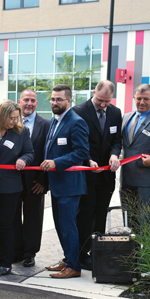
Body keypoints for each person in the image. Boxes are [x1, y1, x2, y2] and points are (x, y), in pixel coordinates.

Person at [73, 80, 122, 270]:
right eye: (100, 100)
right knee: (85, 214)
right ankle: (81, 254)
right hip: (87, 173)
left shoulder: (115, 113)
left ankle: (97, 251)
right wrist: (87, 160)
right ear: (94, 92)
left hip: (106, 176)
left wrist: (114, 154)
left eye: (107, 101)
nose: (103, 105)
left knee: (101, 214)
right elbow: (78, 140)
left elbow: (116, 139)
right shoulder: (79, 111)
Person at [42, 84, 90, 279]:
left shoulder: (76, 122)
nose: (55, 102)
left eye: (59, 99)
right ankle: (68, 259)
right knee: (61, 226)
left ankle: (74, 266)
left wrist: (56, 162)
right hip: (57, 184)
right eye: (53, 99)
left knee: (68, 226)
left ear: (69, 101)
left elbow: (82, 152)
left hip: (70, 185)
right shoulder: (56, 120)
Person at [0, 100, 34, 276]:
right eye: (12, 118)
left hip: (9, 186)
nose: (15, 121)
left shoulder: (21, 132)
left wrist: (24, 160)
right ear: (2, 116)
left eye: (17, 118)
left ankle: (6, 263)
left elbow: (29, 152)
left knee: (4, 224)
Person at [13, 89, 50, 267]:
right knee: (12, 217)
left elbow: (50, 153)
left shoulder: (47, 124)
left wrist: (44, 180)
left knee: (33, 219)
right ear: (19, 101)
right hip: (11, 180)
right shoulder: (10, 122)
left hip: (35, 181)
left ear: (37, 103)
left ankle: (30, 253)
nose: (29, 103)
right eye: (26, 100)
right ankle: (16, 251)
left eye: (33, 100)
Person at [120, 84, 150, 235]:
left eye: (146, 99)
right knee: (130, 223)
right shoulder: (126, 117)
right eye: (138, 99)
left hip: (147, 182)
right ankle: (134, 257)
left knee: (146, 223)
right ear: (134, 98)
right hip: (126, 181)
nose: (142, 102)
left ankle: (148, 258)